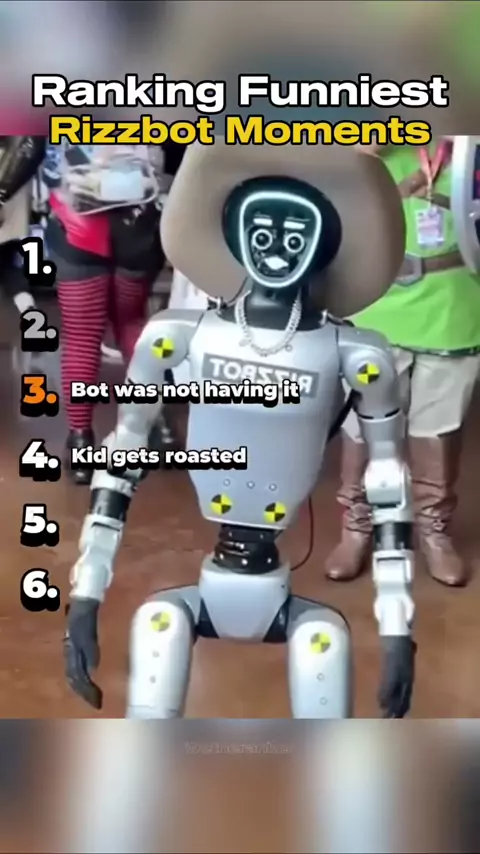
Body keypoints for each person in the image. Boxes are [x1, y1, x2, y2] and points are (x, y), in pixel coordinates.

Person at [326, 138, 480, 588]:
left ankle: (433, 530)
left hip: (453, 307)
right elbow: (331, 202)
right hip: (377, 306)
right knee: (363, 426)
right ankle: (357, 525)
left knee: (439, 427)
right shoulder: (370, 141)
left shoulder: (470, 147)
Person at [44, 143, 171, 485]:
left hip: (77, 219)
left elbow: (27, 146)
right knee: (132, 323)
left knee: (81, 336)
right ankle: (147, 429)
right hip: (139, 220)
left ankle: (81, 441)